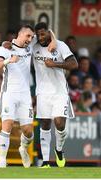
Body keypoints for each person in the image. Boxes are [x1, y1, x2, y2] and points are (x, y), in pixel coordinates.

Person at [0, 24, 56, 168]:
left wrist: (52, 39)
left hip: (25, 96)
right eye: (27, 36)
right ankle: (2, 162)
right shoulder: (6, 48)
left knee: (29, 132)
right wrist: (9, 60)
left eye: (32, 37)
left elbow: (49, 34)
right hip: (9, 93)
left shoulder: (30, 45)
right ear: (19, 34)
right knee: (7, 126)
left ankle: (23, 148)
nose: (30, 39)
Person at [33, 22, 78, 168]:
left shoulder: (60, 45)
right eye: (38, 34)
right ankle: (45, 161)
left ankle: (59, 150)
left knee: (59, 123)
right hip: (42, 92)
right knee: (45, 124)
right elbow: (22, 39)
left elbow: (74, 64)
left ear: (48, 32)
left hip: (59, 92)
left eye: (43, 33)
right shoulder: (34, 45)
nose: (40, 37)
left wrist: (55, 64)